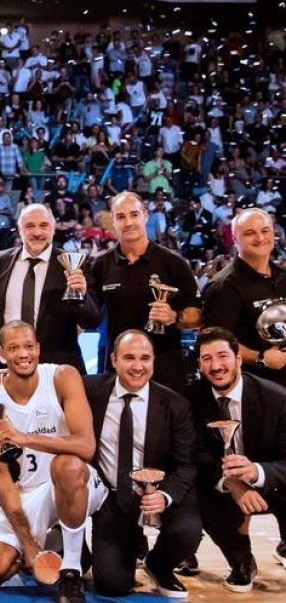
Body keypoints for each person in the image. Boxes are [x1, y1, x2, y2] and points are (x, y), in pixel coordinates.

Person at [0, 321, 105, 603]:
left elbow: (86, 446)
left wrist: (23, 437)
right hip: (28, 495)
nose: (23, 354)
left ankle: (71, 571)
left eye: (29, 346)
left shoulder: (62, 376)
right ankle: (40, 549)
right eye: (14, 348)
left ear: (38, 348)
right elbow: (2, 477)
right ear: (1, 354)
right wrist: (28, 543)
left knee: (66, 466)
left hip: (75, 482)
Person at [85, 330, 200, 598]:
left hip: (157, 491)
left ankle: (158, 564)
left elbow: (187, 465)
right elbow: (48, 382)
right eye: (129, 357)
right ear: (113, 359)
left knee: (187, 531)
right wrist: (2, 376)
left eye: (145, 358)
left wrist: (164, 495)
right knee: (112, 584)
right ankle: (99, 552)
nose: (138, 366)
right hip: (112, 496)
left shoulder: (175, 404)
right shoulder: (90, 391)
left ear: (154, 361)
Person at [0, 203, 100, 387]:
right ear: (19, 230)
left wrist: (82, 295)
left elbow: (92, 321)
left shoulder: (74, 264)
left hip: (56, 372)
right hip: (2, 371)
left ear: (53, 229)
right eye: (30, 226)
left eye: (44, 226)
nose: (37, 232)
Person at [187, 326, 286, 592]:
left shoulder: (276, 399)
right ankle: (241, 561)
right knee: (197, 492)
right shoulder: (190, 400)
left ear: (238, 358)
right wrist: (231, 482)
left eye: (223, 356)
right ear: (199, 364)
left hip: (270, 478)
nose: (216, 366)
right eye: (207, 359)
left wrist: (255, 472)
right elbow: (195, 454)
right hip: (221, 482)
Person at [90, 192, 201, 390]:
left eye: (134, 214)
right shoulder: (100, 266)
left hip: (166, 373)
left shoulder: (174, 263)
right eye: (121, 217)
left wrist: (174, 317)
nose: (128, 222)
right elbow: (89, 317)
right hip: (117, 374)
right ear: (113, 221)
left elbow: (197, 316)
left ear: (145, 215)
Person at [203, 208, 286, 386]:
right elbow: (217, 344)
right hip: (254, 388)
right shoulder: (223, 286)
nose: (260, 238)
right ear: (234, 239)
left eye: (265, 231)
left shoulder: (283, 277)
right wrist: (261, 358)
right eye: (250, 233)